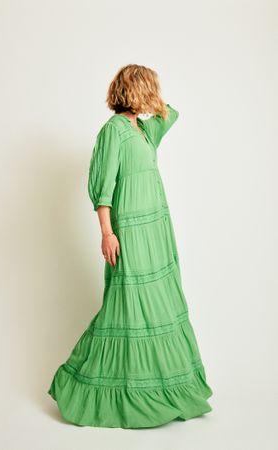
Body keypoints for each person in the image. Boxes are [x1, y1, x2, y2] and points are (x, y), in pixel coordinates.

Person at [48, 64, 213, 428]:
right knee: (127, 306)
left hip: (156, 231)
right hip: (131, 233)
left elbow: (172, 114)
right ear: (133, 90)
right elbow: (102, 188)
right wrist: (107, 233)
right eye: (149, 88)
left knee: (158, 304)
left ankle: (160, 384)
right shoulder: (114, 131)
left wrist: (152, 97)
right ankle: (86, 384)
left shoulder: (143, 131)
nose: (154, 94)